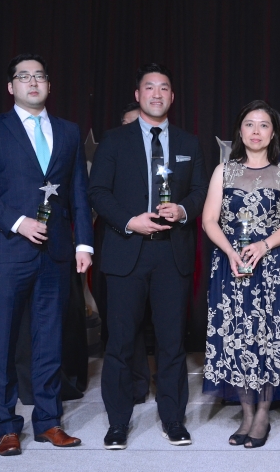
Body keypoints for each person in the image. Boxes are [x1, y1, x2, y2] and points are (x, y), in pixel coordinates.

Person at [0, 53, 94, 456]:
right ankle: (6, 425)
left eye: (39, 76)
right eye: (24, 77)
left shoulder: (68, 132)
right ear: (11, 87)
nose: (32, 82)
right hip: (8, 252)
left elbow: (77, 192)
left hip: (55, 254)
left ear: (49, 86)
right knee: (2, 342)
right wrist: (17, 222)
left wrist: (83, 243)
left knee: (49, 340)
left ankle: (48, 422)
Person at [89, 63, 208, 450]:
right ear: (138, 95)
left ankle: (174, 419)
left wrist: (184, 210)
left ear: (172, 97)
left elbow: (204, 190)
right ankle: (118, 423)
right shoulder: (114, 140)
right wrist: (129, 221)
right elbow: (98, 193)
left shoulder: (190, 143)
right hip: (127, 253)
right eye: (149, 88)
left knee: (173, 342)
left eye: (164, 88)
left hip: (172, 256)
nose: (157, 94)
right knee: (121, 342)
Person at [201, 100, 280, 448]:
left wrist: (264, 246)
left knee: (269, 337)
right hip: (231, 267)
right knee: (237, 337)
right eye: (249, 124)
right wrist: (230, 251)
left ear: (273, 133)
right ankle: (246, 412)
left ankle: (263, 413)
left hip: (270, 267)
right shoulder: (223, 172)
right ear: (239, 131)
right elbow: (209, 220)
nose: (256, 131)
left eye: (263, 125)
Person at [91, 101, 152, 405]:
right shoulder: (112, 150)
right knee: (121, 328)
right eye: (128, 123)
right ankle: (122, 393)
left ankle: (141, 384)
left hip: (157, 251)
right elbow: (99, 194)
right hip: (120, 245)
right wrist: (128, 222)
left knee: (145, 326)